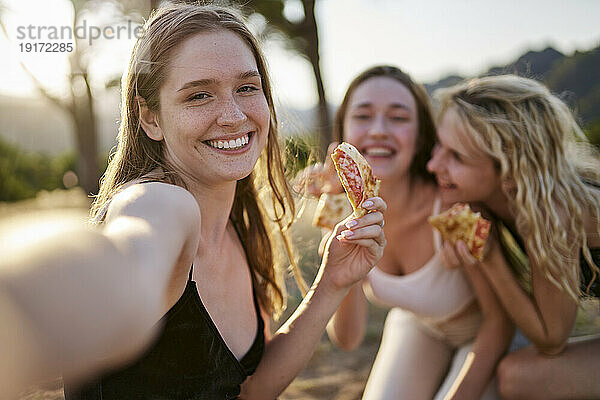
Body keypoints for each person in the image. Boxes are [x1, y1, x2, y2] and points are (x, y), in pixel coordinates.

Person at [1, 3, 388, 400]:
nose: (234, 116)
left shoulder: (240, 225)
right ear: (150, 118)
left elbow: (248, 391)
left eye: (247, 87)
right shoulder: (163, 205)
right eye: (200, 95)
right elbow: (126, 258)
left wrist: (331, 283)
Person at [296, 66, 513, 400]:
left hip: (484, 338)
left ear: (422, 135)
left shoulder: (456, 209)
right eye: (363, 116)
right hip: (417, 326)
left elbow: (499, 323)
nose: (379, 131)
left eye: (398, 118)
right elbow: (348, 339)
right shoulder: (344, 213)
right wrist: (343, 240)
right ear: (344, 132)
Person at [427, 74, 600, 400]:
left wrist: (490, 257)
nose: (434, 163)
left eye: (457, 157)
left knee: (520, 376)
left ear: (509, 169)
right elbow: (497, 323)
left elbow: (551, 339)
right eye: (439, 145)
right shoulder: (486, 202)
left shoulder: (553, 212)